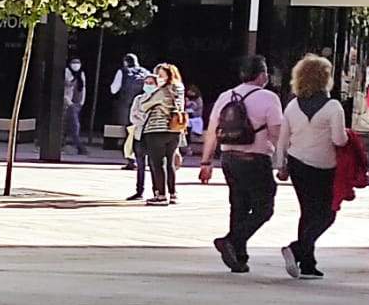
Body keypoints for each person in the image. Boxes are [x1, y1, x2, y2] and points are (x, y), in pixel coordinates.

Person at [199, 55, 286, 273]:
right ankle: (231, 240)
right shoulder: (269, 98)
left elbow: (212, 131)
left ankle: (239, 256)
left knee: (238, 206)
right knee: (264, 208)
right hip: (256, 158)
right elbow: (276, 132)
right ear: (262, 75)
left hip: (229, 159)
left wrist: (206, 161)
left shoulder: (226, 96)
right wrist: (283, 159)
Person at [274, 54, 347, 279]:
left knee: (307, 211)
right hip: (324, 166)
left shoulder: (293, 105)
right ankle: (298, 248)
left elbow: (282, 138)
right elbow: (339, 140)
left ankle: (307, 263)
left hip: (297, 164)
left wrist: (280, 164)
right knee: (327, 213)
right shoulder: (333, 106)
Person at [132, 62, 186, 206]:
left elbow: (145, 106)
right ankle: (173, 194)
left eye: (161, 75)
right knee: (170, 163)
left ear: (168, 75)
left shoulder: (162, 91)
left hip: (157, 130)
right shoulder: (180, 88)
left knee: (157, 163)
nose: (158, 78)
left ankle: (160, 195)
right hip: (174, 130)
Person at [109, 54, 149, 167]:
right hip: (142, 107)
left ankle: (131, 160)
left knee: (129, 133)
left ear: (125, 62)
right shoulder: (145, 72)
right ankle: (142, 158)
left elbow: (114, 89)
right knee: (141, 133)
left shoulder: (123, 71)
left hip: (126, 107)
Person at [62, 58, 88, 154]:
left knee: (70, 125)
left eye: (78, 63)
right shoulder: (67, 72)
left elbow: (83, 88)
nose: (76, 65)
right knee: (74, 125)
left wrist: (81, 102)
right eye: (74, 63)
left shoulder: (81, 74)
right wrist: (69, 102)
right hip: (69, 103)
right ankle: (80, 147)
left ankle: (65, 144)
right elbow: (67, 85)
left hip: (77, 103)